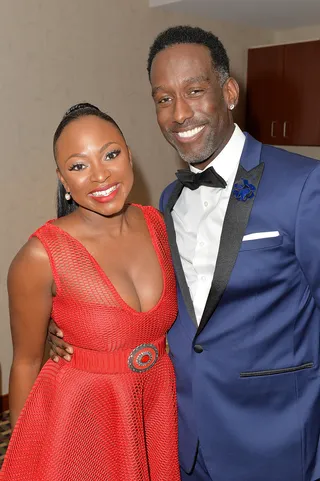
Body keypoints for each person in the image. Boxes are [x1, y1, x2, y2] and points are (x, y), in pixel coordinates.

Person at [48, 26, 320, 481]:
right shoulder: (166, 204)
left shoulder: (304, 187)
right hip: (182, 438)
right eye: (163, 99)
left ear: (229, 91)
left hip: (277, 443)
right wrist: (67, 331)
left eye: (195, 91)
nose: (180, 113)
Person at [1, 103, 180, 481]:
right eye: (78, 166)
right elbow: (25, 363)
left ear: (130, 155)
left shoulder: (160, 225)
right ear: (63, 179)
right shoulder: (39, 256)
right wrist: (26, 454)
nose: (100, 175)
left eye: (111, 154)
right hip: (78, 425)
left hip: (155, 410)